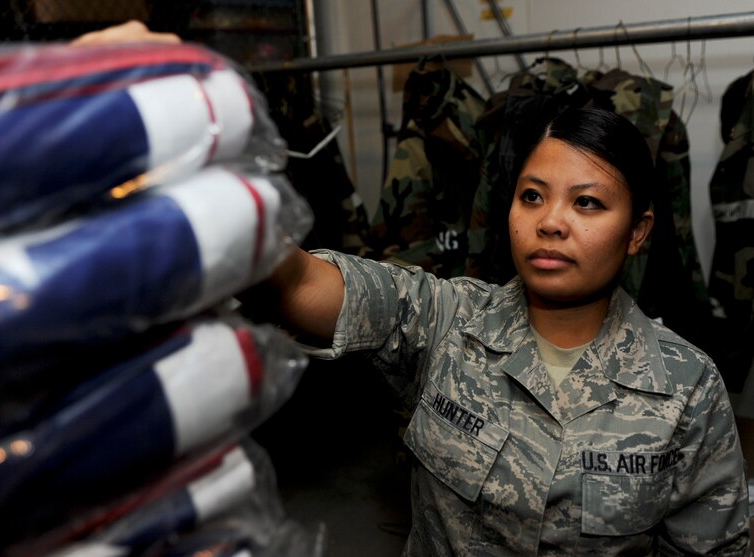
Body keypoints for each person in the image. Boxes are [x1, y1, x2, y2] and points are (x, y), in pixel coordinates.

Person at [266, 107, 751, 555]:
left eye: (586, 202)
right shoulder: (450, 321)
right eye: (532, 196)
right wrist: (239, 220)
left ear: (638, 231)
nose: (550, 222)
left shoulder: (685, 385)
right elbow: (304, 284)